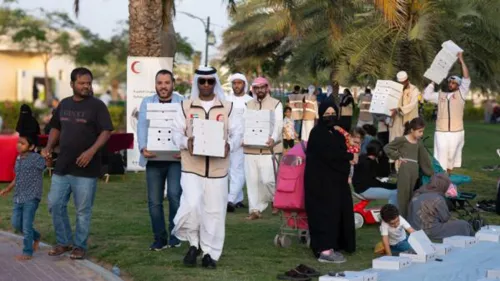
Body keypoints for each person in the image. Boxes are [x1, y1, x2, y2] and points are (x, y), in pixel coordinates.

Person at [171, 66, 242, 269]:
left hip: (218, 169)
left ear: (215, 83)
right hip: (192, 167)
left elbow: (238, 133)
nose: (206, 85)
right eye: (202, 81)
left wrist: (231, 144)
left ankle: (210, 253)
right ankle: (193, 244)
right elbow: (175, 132)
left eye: (210, 81)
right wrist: (187, 142)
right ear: (196, 83)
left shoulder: (227, 108)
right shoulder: (185, 107)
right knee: (192, 205)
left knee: (215, 212)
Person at [41, 67, 113, 260]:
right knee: (55, 204)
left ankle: (79, 246)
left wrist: (91, 152)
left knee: (82, 211)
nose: (86, 86)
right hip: (62, 165)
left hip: (86, 168)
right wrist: (49, 147)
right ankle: (64, 242)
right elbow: (55, 127)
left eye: (88, 83)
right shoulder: (64, 104)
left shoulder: (97, 106)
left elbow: (106, 131)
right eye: (82, 83)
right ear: (72, 84)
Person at [304, 98, 357, 263]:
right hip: (320, 183)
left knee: (339, 211)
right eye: (327, 114)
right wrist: (349, 157)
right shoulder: (317, 133)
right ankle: (324, 250)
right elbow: (329, 155)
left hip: (336, 180)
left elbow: (341, 151)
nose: (330, 116)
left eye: (333, 113)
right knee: (324, 214)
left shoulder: (336, 132)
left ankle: (337, 244)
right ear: (321, 115)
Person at [137, 69, 184, 250]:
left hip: (175, 159)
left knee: (174, 196)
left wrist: (185, 149)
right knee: (154, 201)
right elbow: (141, 126)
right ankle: (159, 237)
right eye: (160, 83)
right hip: (154, 158)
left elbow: (188, 127)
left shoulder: (182, 102)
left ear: (173, 84)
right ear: (155, 85)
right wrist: (143, 148)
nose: (163, 86)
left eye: (166, 83)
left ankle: (175, 234)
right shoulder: (147, 102)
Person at [0, 104, 45, 261]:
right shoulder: (19, 158)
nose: (18, 145)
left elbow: (46, 165)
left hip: (31, 197)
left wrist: (47, 156)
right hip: (18, 197)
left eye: (22, 143)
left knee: (26, 225)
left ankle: (27, 252)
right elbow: (17, 177)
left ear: (31, 146)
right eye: (18, 142)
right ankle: (37, 236)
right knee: (16, 224)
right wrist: (8, 188)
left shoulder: (36, 159)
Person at [423, 52, 470, 174]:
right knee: (441, 157)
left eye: (454, 83)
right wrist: (434, 81)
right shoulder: (441, 95)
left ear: (458, 86)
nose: (451, 84)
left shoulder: (461, 94)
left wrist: (461, 60)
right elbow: (426, 96)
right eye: (450, 82)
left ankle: (448, 177)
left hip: (456, 131)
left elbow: (466, 78)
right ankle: (441, 178)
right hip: (441, 131)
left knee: (451, 158)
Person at [244, 77, 283, 220]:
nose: (260, 90)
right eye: (256, 87)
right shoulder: (247, 104)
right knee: (252, 181)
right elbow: (243, 124)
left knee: (268, 180)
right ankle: (255, 210)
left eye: (262, 87)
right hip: (250, 149)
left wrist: (273, 138)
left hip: (269, 149)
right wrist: (242, 138)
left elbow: (278, 124)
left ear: (267, 88)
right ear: (253, 89)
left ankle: (275, 200)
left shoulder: (276, 104)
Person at [384, 117, 434, 218]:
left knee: (412, 195)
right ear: (412, 130)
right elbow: (387, 148)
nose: (421, 134)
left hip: (414, 172)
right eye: (419, 131)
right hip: (405, 171)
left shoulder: (419, 143)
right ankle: (403, 218)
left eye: (422, 131)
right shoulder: (402, 140)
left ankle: (410, 218)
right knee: (403, 195)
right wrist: (397, 156)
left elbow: (424, 159)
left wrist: (432, 173)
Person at [408, 173, 474, 239]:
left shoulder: (418, 192)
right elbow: (445, 218)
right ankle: (473, 242)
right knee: (464, 225)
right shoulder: (438, 199)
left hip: (414, 228)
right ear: (443, 185)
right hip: (428, 231)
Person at [226, 73, 253, 212]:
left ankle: (230, 199)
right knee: (230, 170)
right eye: (234, 83)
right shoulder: (226, 100)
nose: (236, 85)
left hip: (243, 140)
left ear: (244, 84)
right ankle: (238, 199)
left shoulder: (250, 101)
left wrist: (247, 138)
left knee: (238, 169)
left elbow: (252, 121)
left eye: (239, 83)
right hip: (227, 139)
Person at [353, 140, 398, 205]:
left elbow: (379, 177)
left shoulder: (364, 158)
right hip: (365, 189)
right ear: (378, 151)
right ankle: (392, 213)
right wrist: (391, 186)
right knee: (394, 193)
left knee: (394, 190)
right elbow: (374, 181)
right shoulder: (368, 163)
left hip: (363, 188)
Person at [389, 71, 420, 143]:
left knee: (409, 143)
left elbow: (413, 104)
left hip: (409, 121)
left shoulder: (414, 89)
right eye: (400, 83)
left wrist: (399, 109)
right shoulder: (395, 89)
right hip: (396, 121)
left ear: (407, 80)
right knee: (394, 142)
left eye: (403, 82)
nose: (401, 84)